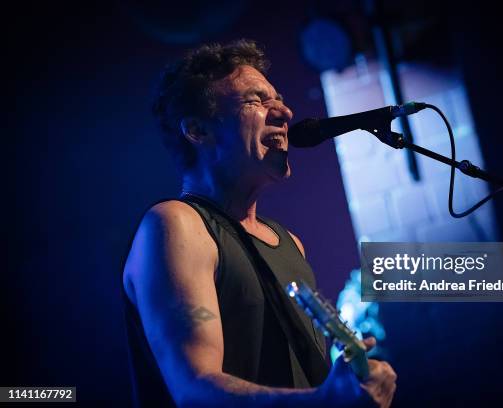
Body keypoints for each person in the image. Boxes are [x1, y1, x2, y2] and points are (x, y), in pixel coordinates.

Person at [122, 39, 397, 408]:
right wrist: (325, 402)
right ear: (197, 130)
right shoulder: (176, 225)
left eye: (278, 98)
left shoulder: (290, 243)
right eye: (256, 100)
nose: (284, 112)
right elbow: (195, 391)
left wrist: (354, 385)